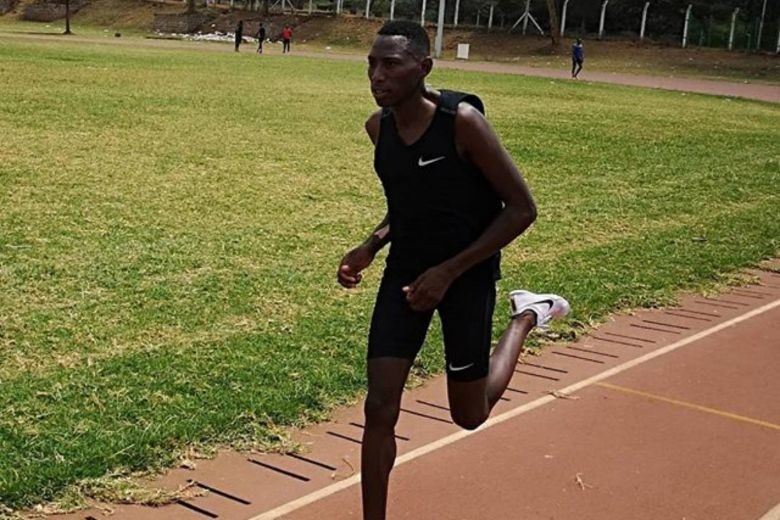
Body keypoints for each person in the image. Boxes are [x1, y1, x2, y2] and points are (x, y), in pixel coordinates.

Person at [337, 20, 570, 520]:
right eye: (372, 64)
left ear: (423, 67)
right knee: (379, 407)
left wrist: (449, 271)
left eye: (391, 65)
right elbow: (408, 206)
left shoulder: (462, 123)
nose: (377, 76)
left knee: (469, 414)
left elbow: (521, 209)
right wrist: (370, 246)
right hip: (406, 273)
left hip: (467, 273)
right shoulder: (378, 128)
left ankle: (526, 316)